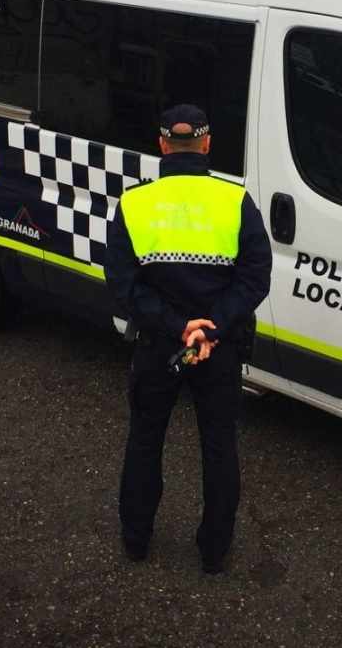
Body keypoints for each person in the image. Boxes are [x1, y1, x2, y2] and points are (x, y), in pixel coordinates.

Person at [104, 104, 273, 574]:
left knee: (145, 439)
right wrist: (210, 327)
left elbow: (122, 282)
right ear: (206, 144)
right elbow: (256, 276)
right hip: (217, 349)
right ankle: (214, 551)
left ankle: (136, 540)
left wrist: (177, 327)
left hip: (159, 346)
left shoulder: (135, 203)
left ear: (161, 145)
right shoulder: (235, 201)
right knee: (219, 445)